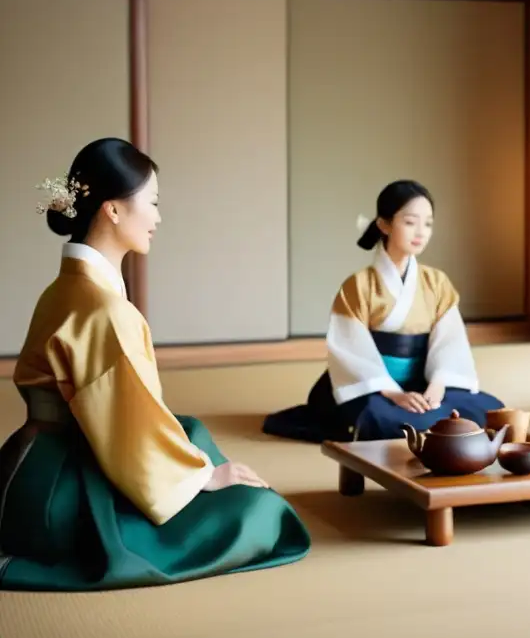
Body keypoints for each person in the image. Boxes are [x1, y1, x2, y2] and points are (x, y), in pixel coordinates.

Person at [0, 138, 311, 591]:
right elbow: (130, 429)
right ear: (112, 210)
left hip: (30, 465)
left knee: (191, 430)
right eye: (153, 202)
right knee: (261, 512)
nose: (159, 217)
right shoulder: (104, 310)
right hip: (67, 492)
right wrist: (205, 475)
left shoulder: (66, 287)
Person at [262, 179, 504, 443]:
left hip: (422, 382)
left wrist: (438, 384)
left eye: (428, 223)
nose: (420, 232)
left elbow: (450, 342)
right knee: (379, 420)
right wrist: (393, 393)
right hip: (372, 385)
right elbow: (351, 350)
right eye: (411, 222)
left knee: (487, 410)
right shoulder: (359, 285)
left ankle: (425, 415)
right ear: (384, 224)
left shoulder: (437, 283)